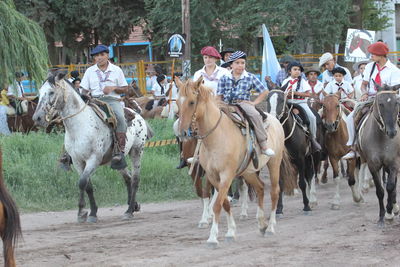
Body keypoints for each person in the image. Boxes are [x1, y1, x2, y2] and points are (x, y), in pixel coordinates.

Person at [343, 42, 400, 159]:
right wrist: (364, 92)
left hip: (388, 101)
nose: (371, 56)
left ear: (381, 55)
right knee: (350, 118)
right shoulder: (370, 66)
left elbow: (394, 91)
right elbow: (364, 84)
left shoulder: (394, 70)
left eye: (373, 54)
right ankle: (353, 147)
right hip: (371, 98)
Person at [80, 44, 130, 168]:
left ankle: (119, 151)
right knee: (76, 118)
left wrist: (113, 87)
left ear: (107, 55)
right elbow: (84, 90)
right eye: (96, 56)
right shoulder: (90, 71)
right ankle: (67, 154)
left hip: (112, 100)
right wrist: (85, 97)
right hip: (94, 100)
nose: (99, 58)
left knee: (120, 118)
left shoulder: (116, 70)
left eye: (102, 55)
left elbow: (125, 89)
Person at [217, 51, 275, 156]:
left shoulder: (250, 77)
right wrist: (218, 105)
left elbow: (264, 91)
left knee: (255, 115)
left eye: (243, 63)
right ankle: (201, 151)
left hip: (243, 104)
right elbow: (219, 96)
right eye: (237, 63)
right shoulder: (224, 78)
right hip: (226, 104)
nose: (240, 65)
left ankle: (263, 144)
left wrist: (254, 103)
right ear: (231, 65)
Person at [281, 61, 322, 151]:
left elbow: (308, 94)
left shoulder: (302, 81)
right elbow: (282, 93)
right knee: (279, 116)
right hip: (288, 103)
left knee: (312, 117)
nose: (297, 71)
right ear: (289, 71)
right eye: (295, 69)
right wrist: (286, 95)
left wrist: (296, 93)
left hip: (301, 103)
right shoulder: (285, 81)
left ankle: (313, 139)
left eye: (299, 70)